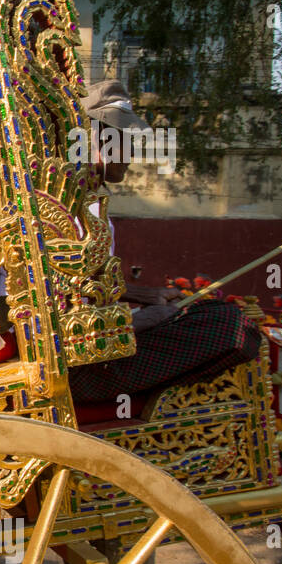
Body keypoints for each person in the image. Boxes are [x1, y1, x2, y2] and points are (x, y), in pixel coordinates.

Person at [68, 80, 261, 406]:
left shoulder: (93, 205)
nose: (131, 154)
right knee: (227, 328)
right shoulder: (62, 210)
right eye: (124, 142)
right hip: (79, 365)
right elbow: (58, 306)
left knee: (214, 312)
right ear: (94, 141)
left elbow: (90, 280)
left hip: (102, 343)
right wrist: (134, 321)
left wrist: (146, 295)